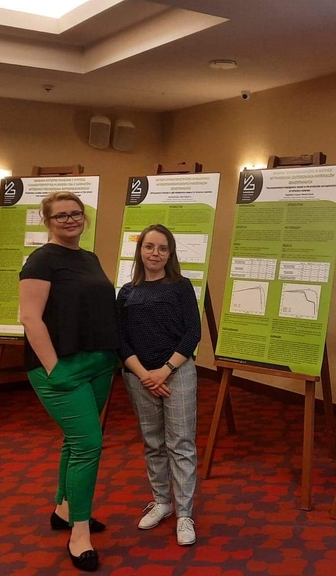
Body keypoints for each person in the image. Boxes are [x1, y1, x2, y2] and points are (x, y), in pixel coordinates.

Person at [19, 192, 119, 572]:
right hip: (60, 368)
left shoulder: (89, 258)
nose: (70, 220)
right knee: (89, 445)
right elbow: (30, 318)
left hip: (98, 363)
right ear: (47, 220)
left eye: (76, 213)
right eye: (60, 215)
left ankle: (64, 508)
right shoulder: (41, 260)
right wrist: (53, 369)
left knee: (76, 442)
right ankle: (79, 534)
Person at [117, 224, 202, 547]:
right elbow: (120, 340)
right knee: (153, 443)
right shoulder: (127, 292)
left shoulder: (180, 287)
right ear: (140, 251)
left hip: (176, 372)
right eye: (149, 247)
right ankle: (162, 501)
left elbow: (193, 333)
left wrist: (164, 371)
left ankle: (184, 514)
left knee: (180, 444)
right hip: (139, 376)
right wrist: (145, 375)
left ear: (170, 253)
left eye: (162, 248)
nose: (155, 253)